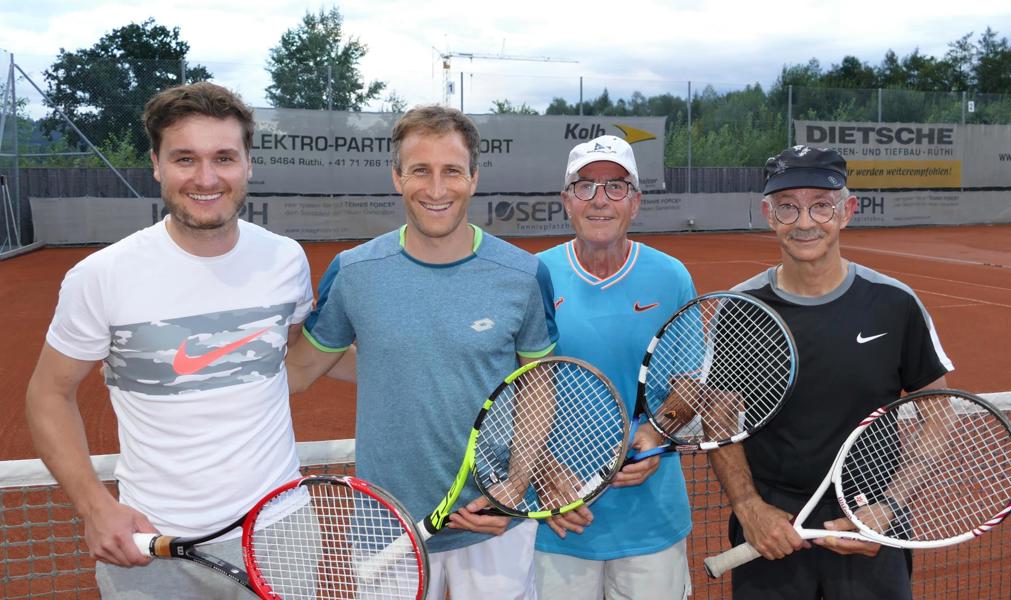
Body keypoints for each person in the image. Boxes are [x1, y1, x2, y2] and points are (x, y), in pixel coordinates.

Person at [25, 82, 313, 598]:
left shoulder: (286, 260)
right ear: (157, 164)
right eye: (185, 159)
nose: (206, 178)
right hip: (150, 542)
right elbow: (47, 395)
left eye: (224, 157)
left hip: (279, 532)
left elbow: (287, 354)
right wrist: (95, 507)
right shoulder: (101, 276)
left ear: (248, 163)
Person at [286, 105, 558, 600]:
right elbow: (299, 371)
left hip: (493, 520)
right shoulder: (353, 272)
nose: (436, 189)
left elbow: (538, 384)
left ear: (473, 178)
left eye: (452, 170)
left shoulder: (523, 274)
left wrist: (514, 489)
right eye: (420, 171)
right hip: (384, 522)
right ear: (397, 177)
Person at [708, 145, 954, 600]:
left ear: (847, 211)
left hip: (870, 524)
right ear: (768, 213)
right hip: (770, 529)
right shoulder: (739, 309)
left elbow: (937, 412)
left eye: (821, 205)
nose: (804, 222)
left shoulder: (895, 303)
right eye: (788, 207)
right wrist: (748, 508)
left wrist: (891, 506)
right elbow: (719, 419)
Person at [533, 135, 695, 599]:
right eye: (585, 186)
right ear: (567, 201)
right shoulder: (532, 275)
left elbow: (686, 385)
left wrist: (659, 432)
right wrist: (542, 472)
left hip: (651, 522)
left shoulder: (671, 277)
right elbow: (513, 394)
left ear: (635, 202)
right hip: (557, 519)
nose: (600, 199)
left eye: (616, 187)